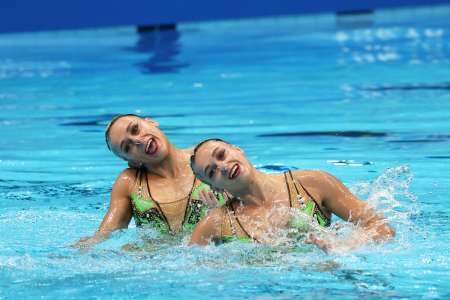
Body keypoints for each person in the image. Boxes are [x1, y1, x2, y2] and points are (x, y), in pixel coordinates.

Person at [189, 139, 395, 253]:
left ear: (238, 149)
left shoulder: (312, 183)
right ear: (213, 186)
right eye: (212, 172)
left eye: (222, 154)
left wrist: (345, 245)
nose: (223, 167)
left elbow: (382, 228)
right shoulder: (217, 223)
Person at [73, 115, 225, 249]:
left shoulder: (208, 157)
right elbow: (105, 234)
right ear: (131, 162)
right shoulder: (130, 183)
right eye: (128, 147)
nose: (138, 140)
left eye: (135, 129)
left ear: (151, 122)